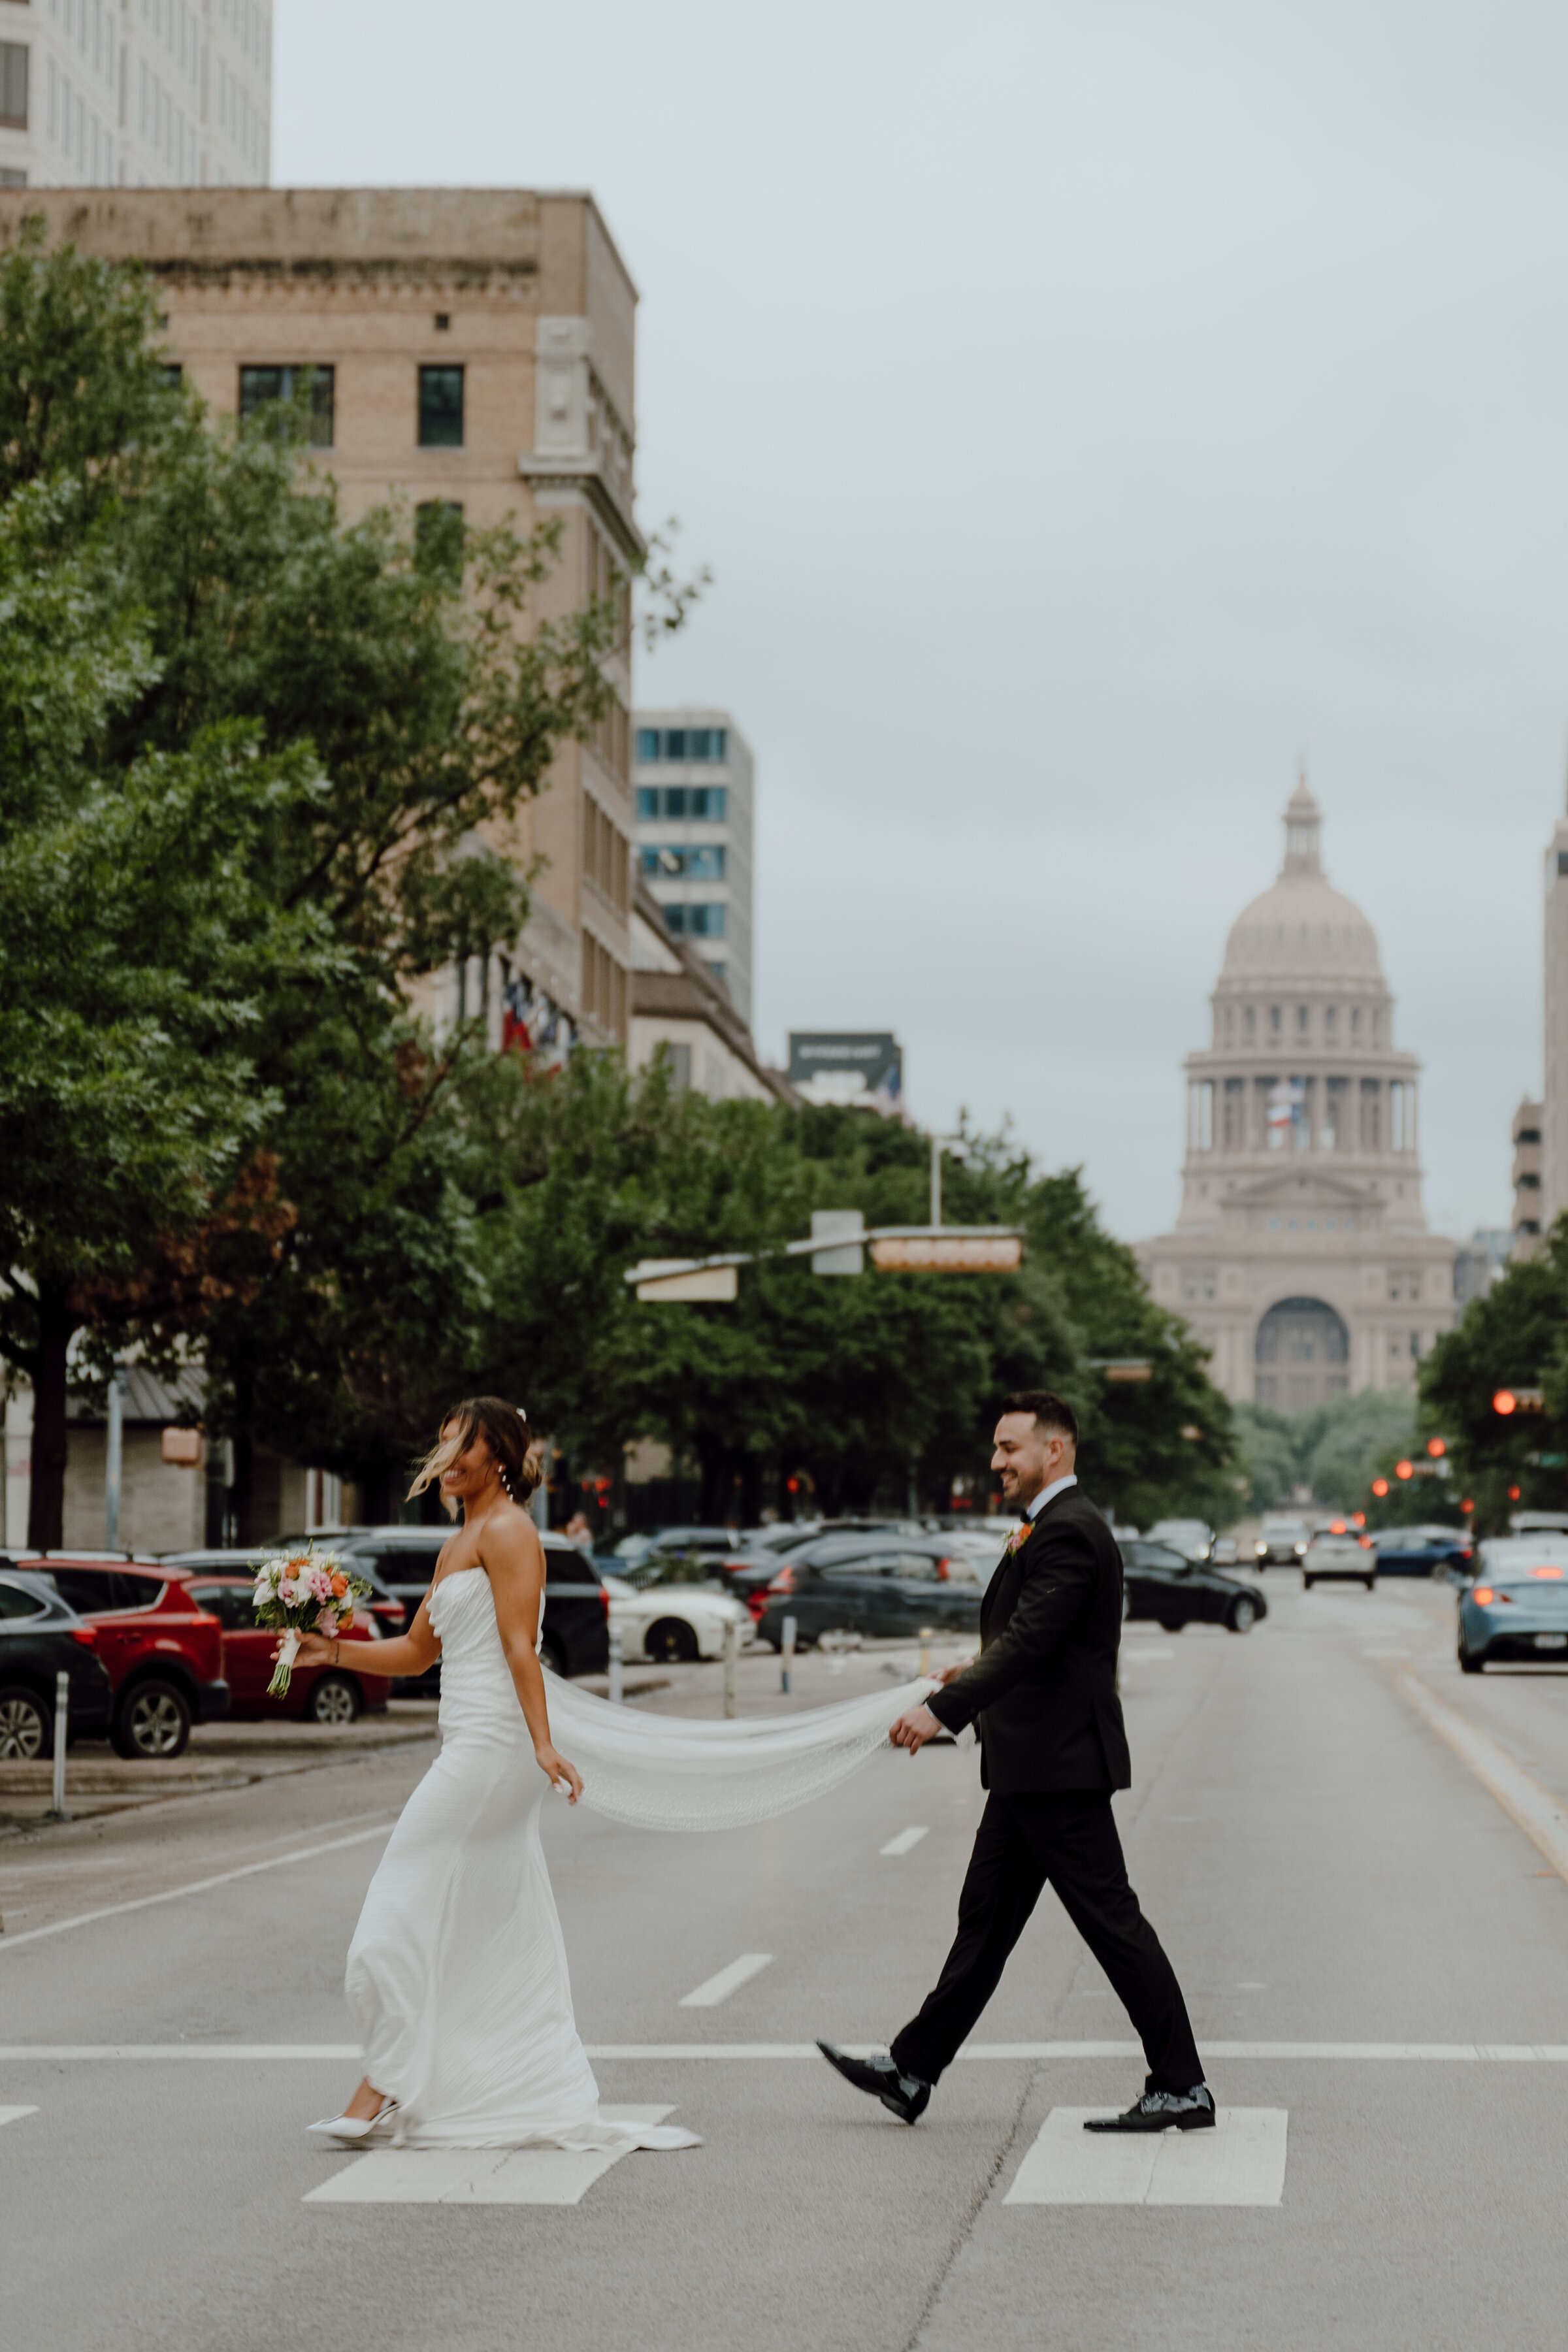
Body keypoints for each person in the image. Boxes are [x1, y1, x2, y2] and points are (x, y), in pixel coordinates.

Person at [293, 1396, 696, 2155]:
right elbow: (417, 1654)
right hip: (466, 1744)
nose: (446, 1462)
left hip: (494, 1748)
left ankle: (382, 2083)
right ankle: (428, 2080)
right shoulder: (458, 1542)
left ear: (500, 1457)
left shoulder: (511, 1532)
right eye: (441, 1447)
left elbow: (519, 1647)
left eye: (460, 1449)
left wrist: (542, 1744)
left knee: (395, 1909)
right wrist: (330, 1651)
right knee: (469, 1921)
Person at [817, 1389, 1213, 2134]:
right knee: (985, 1925)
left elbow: (1032, 1642)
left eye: (1009, 1448)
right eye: (997, 1448)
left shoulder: (1069, 1531)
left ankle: (1182, 2084)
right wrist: (963, 1672)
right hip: (1030, 1767)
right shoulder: (1046, 1527)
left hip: (1060, 1769)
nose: (995, 1461)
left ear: (1053, 1450)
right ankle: (912, 2070)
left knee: (1111, 1923)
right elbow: (1031, 1637)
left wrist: (943, 1710)